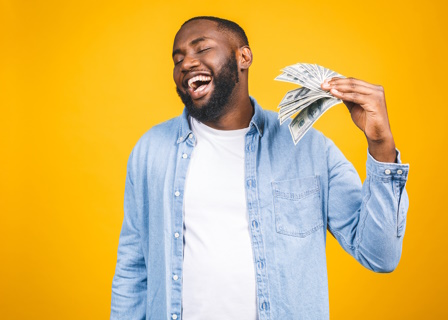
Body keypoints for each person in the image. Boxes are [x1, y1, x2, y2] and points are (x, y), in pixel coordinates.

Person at [110, 16, 409, 320]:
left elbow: (380, 255)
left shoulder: (309, 149)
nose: (186, 63)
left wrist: (381, 144)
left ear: (243, 57)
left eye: (201, 50)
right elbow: (133, 271)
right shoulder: (151, 151)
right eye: (178, 59)